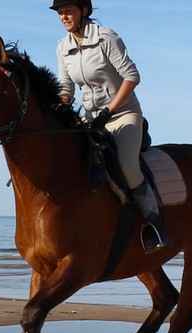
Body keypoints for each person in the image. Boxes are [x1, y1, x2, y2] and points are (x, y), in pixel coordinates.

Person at [51, 0, 168, 250]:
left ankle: (153, 224)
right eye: (60, 12)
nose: (63, 16)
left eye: (68, 10)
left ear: (83, 10)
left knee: (127, 166)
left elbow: (132, 77)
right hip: (90, 119)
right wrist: (60, 104)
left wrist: (109, 110)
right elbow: (66, 88)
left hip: (123, 114)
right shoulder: (63, 47)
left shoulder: (106, 38)